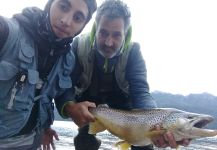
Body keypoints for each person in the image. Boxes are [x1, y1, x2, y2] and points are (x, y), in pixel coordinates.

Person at [54, 0, 190, 149]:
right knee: (84, 142)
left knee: (145, 142)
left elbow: (140, 92)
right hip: (89, 105)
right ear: (95, 28)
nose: (109, 42)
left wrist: (155, 126)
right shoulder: (78, 46)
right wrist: (69, 106)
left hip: (124, 107)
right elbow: (64, 85)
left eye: (117, 35)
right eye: (103, 33)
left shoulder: (133, 52)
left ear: (126, 33)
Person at [0, 0, 96, 149]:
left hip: (32, 142)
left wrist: (45, 125)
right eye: (63, 7)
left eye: (78, 18)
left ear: (83, 25)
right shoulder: (6, 32)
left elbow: (56, 93)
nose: (66, 20)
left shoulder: (68, 59)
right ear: (50, 4)